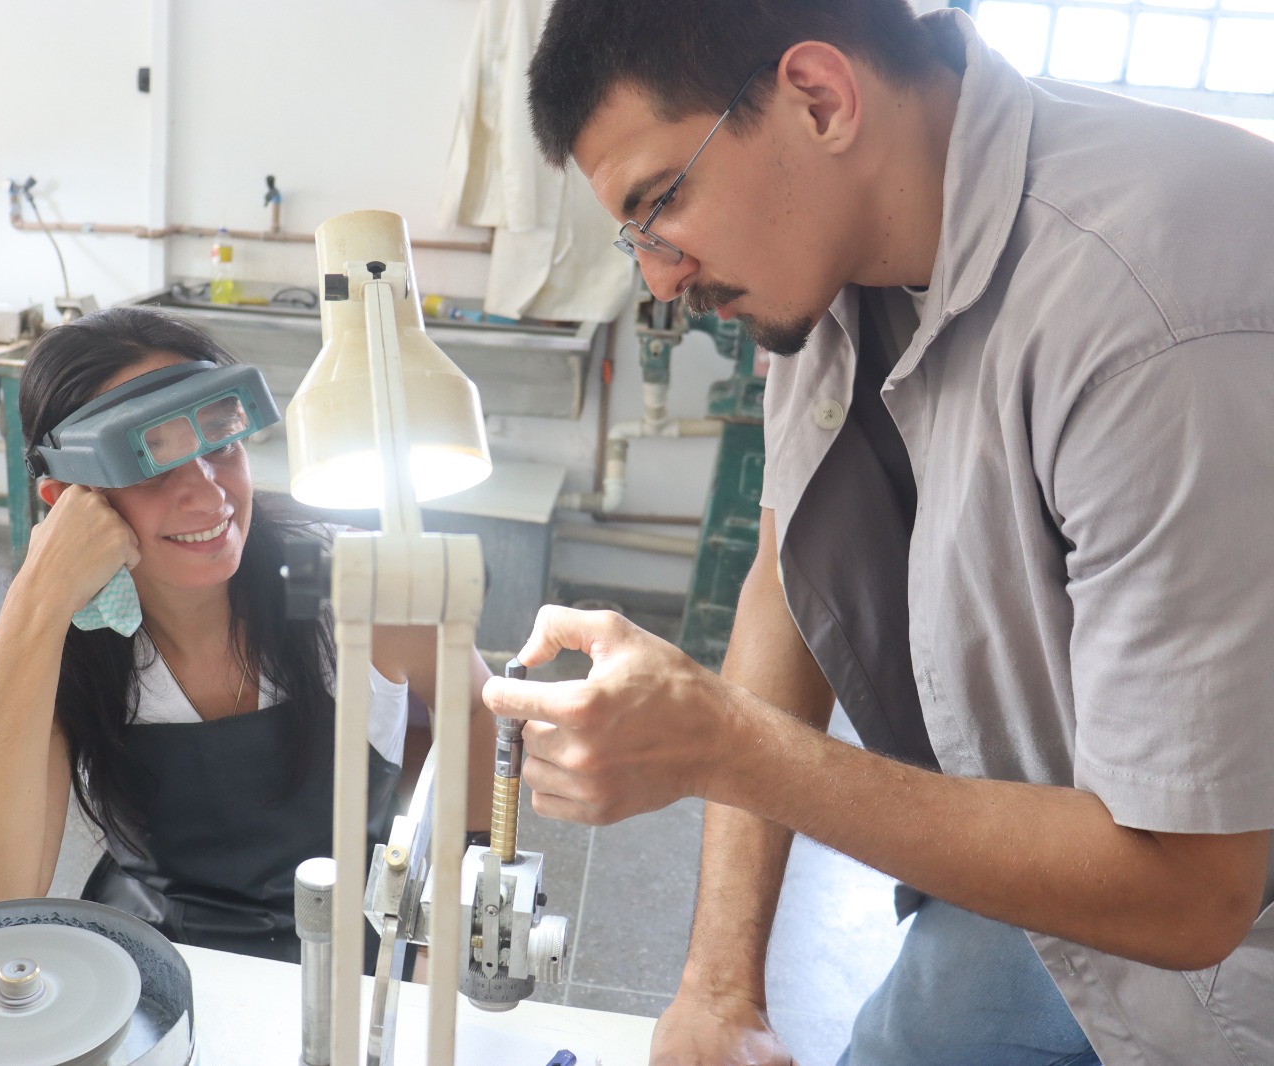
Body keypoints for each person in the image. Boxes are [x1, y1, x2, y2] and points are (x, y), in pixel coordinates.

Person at [484, 2, 1274, 1064]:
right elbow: (785, 562)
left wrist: (725, 744)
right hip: (1043, 843)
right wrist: (720, 992)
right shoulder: (830, 249)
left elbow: (1192, 891)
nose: (659, 277)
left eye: (661, 200)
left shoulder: (1154, 306)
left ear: (819, 98)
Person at [0, 306, 495, 965]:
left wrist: (451, 905)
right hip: (154, 955)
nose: (208, 497)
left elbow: (474, 708)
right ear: (71, 503)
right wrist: (36, 601)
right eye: (151, 466)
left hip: (354, 945)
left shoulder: (328, 580)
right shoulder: (75, 641)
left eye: (220, 444)